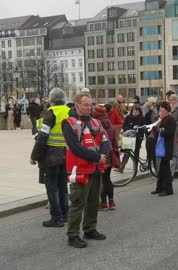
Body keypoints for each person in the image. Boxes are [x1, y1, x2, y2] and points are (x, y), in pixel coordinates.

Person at [63, 92, 110, 248]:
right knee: (78, 203)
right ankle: (73, 235)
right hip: (80, 170)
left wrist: (102, 155)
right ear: (77, 105)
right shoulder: (69, 123)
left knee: (93, 202)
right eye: (85, 105)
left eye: (91, 104)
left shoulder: (96, 122)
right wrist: (97, 157)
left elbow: (105, 141)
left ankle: (90, 229)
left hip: (95, 169)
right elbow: (76, 148)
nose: (89, 108)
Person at [30, 88, 70, 228]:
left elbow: (43, 136)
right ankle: (66, 214)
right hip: (66, 155)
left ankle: (56, 218)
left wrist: (34, 156)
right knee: (63, 186)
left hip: (51, 155)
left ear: (51, 100)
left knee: (52, 188)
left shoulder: (51, 113)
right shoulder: (69, 111)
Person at [92, 105, 118, 211]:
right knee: (107, 179)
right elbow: (114, 140)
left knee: (101, 180)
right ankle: (111, 202)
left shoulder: (96, 125)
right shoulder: (110, 124)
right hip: (110, 155)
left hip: (101, 155)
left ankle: (103, 203)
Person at [151, 101, 177, 197]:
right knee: (161, 169)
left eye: (162, 109)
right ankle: (160, 188)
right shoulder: (161, 119)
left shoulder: (170, 120)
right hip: (160, 147)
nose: (160, 111)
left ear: (167, 110)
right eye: (160, 109)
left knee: (166, 170)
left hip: (166, 147)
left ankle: (168, 189)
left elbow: (169, 133)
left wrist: (159, 130)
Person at [121, 104, 146, 171]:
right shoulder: (128, 117)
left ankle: (135, 167)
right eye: (134, 110)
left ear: (139, 112)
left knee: (136, 152)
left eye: (136, 111)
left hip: (138, 138)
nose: (135, 112)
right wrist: (130, 129)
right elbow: (124, 126)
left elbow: (144, 128)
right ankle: (122, 167)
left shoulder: (142, 118)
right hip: (129, 137)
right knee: (127, 152)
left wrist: (140, 134)